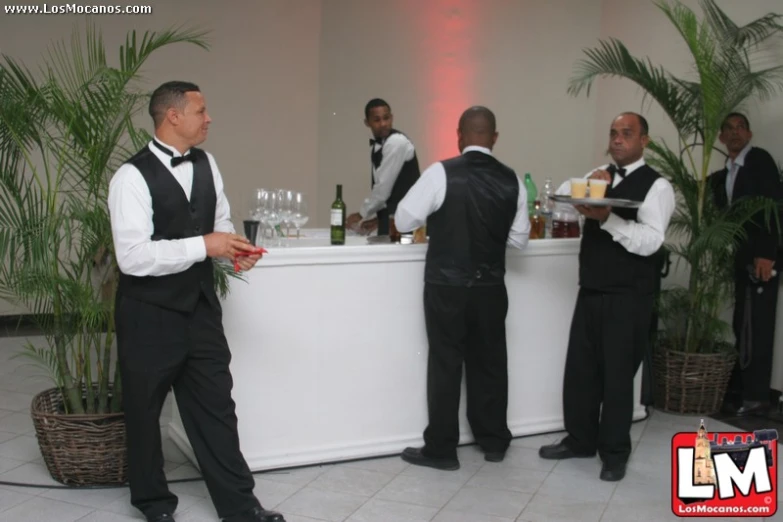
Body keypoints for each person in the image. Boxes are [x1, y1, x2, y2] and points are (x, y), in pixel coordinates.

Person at [108, 81, 285, 522]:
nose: (209, 119)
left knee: (217, 410)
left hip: (201, 310)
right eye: (201, 111)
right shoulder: (129, 177)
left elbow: (219, 222)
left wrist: (234, 250)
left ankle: (241, 508)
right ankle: (154, 505)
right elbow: (132, 258)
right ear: (172, 116)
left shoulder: (208, 163)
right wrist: (204, 245)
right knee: (145, 413)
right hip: (148, 314)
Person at [538, 112, 676, 482]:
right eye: (614, 133)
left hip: (629, 295)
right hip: (593, 287)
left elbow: (650, 242)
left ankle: (614, 452)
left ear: (644, 140)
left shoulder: (657, 186)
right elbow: (562, 200)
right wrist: (585, 183)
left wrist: (608, 219)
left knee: (617, 377)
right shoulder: (599, 174)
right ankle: (580, 438)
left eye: (626, 134)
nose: (617, 139)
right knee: (581, 370)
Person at [394, 106, 530, 470]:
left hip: (446, 286)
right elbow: (519, 241)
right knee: (490, 362)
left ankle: (441, 449)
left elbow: (404, 218)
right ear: (495, 138)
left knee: (446, 364)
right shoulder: (511, 179)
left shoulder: (441, 173)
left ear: (459, 135)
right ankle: (494, 441)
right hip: (490, 288)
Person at [710, 113, 782, 417]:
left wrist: (767, 253)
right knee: (744, 322)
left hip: (762, 258)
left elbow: (773, 207)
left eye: (740, 127)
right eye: (729, 128)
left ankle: (757, 397)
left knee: (759, 325)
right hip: (742, 258)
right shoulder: (725, 173)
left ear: (749, 134)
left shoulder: (759, 161)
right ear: (722, 138)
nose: (735, 132)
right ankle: (743, 391)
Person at [345, 98, 420, 236]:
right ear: (367, 123)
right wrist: (378, 220)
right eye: (377, 120)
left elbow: (383, 188)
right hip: (395, 220)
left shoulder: (396, 142)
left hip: (406, 223)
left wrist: (361, 214)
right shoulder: (378, 146)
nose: (383, 124)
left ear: (392, 117)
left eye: (386, 118)